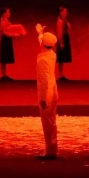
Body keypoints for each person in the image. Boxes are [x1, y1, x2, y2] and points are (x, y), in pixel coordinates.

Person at [35, 24, 58, 160]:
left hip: (47, 93)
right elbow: (43, 45)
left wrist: (43, 98)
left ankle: (50, 151)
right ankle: (51, 149)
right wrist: (40, 34)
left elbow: (44, 81)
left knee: (48, 123)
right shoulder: (52, 55)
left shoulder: (43, 59)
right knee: (51, 121)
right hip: (52, 90)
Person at [0, 8, 24, 81]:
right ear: (4, 14)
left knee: (5, 58)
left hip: (7, 40)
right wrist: (14, 35)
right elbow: (4, 32)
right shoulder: (3, 22)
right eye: (8, 12)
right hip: (5, 40)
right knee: (3, 58)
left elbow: (9, 30)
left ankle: (4, 74)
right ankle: (3, 75)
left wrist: (15, 33)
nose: (9, 13)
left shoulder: (6, 21)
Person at [56, 7, 72, 81]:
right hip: (62, 39)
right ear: (61, 12)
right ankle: (60, 75)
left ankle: (61, 75)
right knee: (61, 59)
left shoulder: (63, 20)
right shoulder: (60, 21)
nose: (66, 13)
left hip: (65, 38)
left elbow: (69, 27)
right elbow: (60, 33)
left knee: (62, 59)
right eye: (64, 11)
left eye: (66, 11)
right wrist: (61, 42)